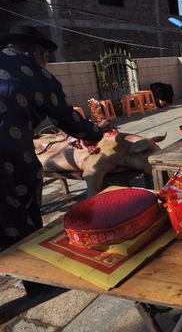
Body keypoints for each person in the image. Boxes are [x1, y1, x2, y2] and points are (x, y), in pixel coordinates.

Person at [0, 25, 104, 294]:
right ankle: (36, 281)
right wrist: (97, 132)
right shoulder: (36, 74)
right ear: (38, 53)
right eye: (46, 58)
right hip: (7, 154)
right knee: (18, 213)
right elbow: (68, 119)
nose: (47, 63)